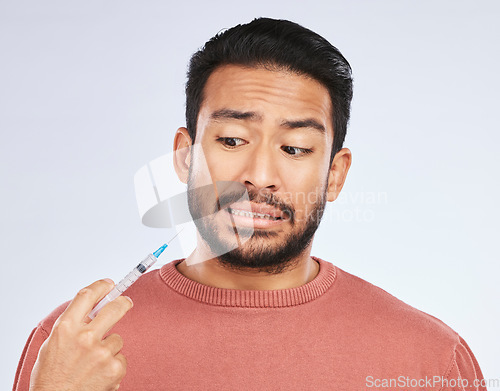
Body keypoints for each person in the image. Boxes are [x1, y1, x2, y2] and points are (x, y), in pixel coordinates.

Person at [14, 17, 486, 391]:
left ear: (335, 175)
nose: (260, 176)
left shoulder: (429, 358)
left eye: (296, 148)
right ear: (184, 155)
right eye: (234, 139)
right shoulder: (71, 346)